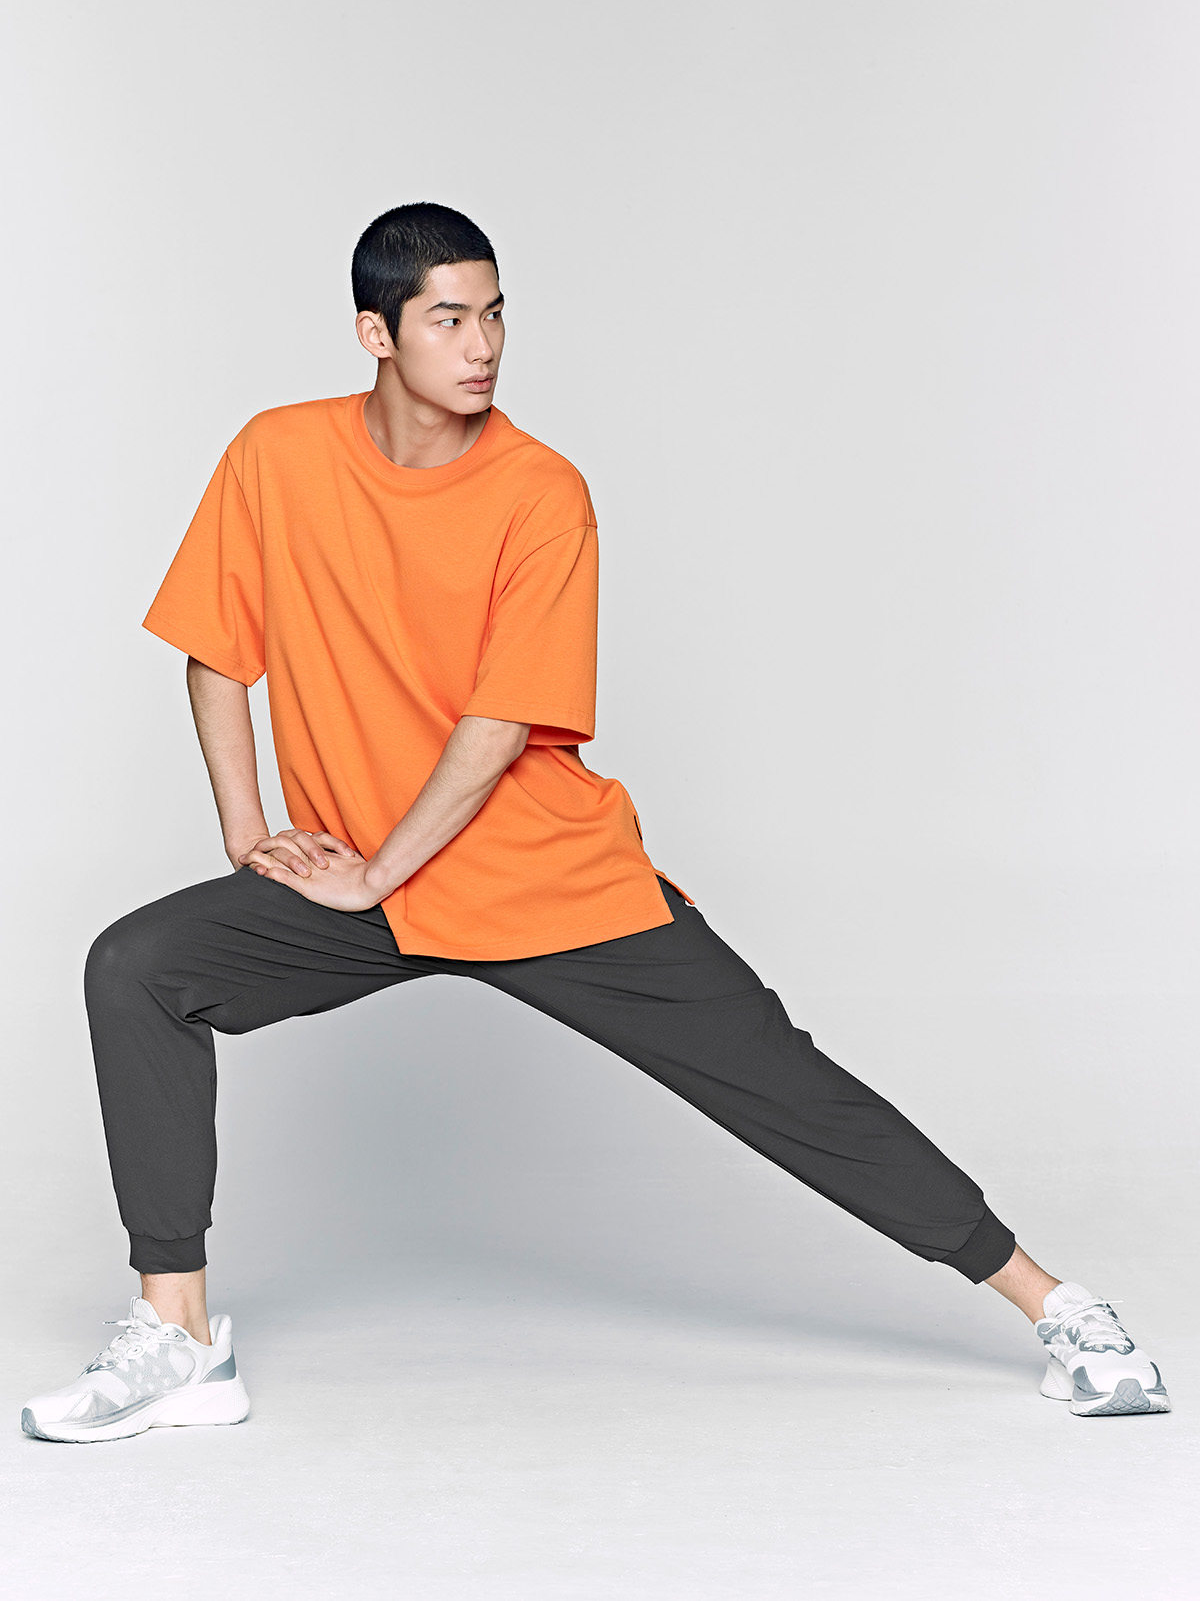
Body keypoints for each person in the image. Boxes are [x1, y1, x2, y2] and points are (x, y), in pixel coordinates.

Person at [22, 203, 1170, 1444]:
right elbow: (214, 645)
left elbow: (496, 728)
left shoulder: (540, 491)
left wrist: (374, 874)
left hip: (540, 879)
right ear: (375, 333)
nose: (482, 345)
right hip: (371, 883)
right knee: (137, 968)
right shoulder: (276, 455)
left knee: (786, 1086)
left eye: (495, 314)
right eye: (448, 319)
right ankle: (181, 1338)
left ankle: (1057, 1305)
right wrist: (252, 835)